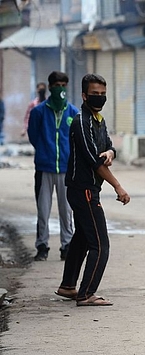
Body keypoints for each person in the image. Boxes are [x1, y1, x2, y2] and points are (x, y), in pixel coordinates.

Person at [55, 73, 130, 306]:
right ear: (84, 96)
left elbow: (107, 147)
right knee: (100, 244)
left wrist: (110, 152)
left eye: (103, 94)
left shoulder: (98, 120)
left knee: (83, 238)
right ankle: (86, 294)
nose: (99, 98)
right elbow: (94, 163)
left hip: (87, 189)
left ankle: (68, 286)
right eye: (95, 94)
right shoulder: (81, 122)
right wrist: (118, 186)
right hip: (83, 189)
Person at [27, 71, 79, 261]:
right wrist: (44, 152)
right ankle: (42, 246)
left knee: (67, 210)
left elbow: (75, 140)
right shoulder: (38, 112)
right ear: (50, 87)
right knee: (43, 210)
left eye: (64, 84)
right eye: (57, 85)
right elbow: (33, 136)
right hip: (44, 167)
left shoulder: (73, 112)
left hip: (66, 169)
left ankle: (67, 246)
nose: (60, 88)